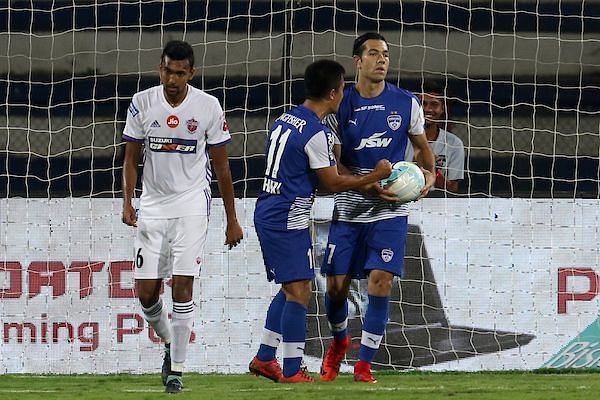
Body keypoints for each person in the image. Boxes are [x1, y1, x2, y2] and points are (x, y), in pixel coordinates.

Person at [249, 59, 393, 384]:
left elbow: (315, 173)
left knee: (291, 287)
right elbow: (331, 183)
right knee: (300, 292)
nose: (344, 94)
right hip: (288, 216)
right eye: (342, 89)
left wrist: (367, 183)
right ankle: (291, 370)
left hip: (273, 209)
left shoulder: (286, 118)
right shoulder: (317, 133)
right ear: (332, 93)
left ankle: (265, 357)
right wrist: (376, 175)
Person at [121, 40, 243, 394]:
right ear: (160, 69)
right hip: (153, 205)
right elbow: (130, 158)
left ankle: (177, 370)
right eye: (166, 71)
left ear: (191, 73)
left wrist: (232, 219)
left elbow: (222, 168)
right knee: (146, 294)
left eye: (179, 73)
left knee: (183, 285)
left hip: (192, 203)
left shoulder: (208, 107)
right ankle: (170, 343)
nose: (171, 79)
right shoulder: (142, 102)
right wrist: (129, 202)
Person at [319, 32, 436, 383]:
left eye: (385, 54)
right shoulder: (341, 104)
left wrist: (428, 177)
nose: (382, 59)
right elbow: (334, 167)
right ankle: (340, 341)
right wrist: (368, 183)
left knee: (381, 281)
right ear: (358, 61)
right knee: (336, 287)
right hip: (351, 206)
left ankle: (365, 364)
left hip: (391, 210)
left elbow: (422, 152)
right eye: (374, 53)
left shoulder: (405, 103)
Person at [405, 80, 465, 192]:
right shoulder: (402, 139)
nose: (428, 109)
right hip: (405, 198)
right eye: (423, 104)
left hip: (438, 201)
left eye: (434, 104)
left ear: (442, 109)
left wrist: (432, 169)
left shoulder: (454, 144)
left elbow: (452, 189)